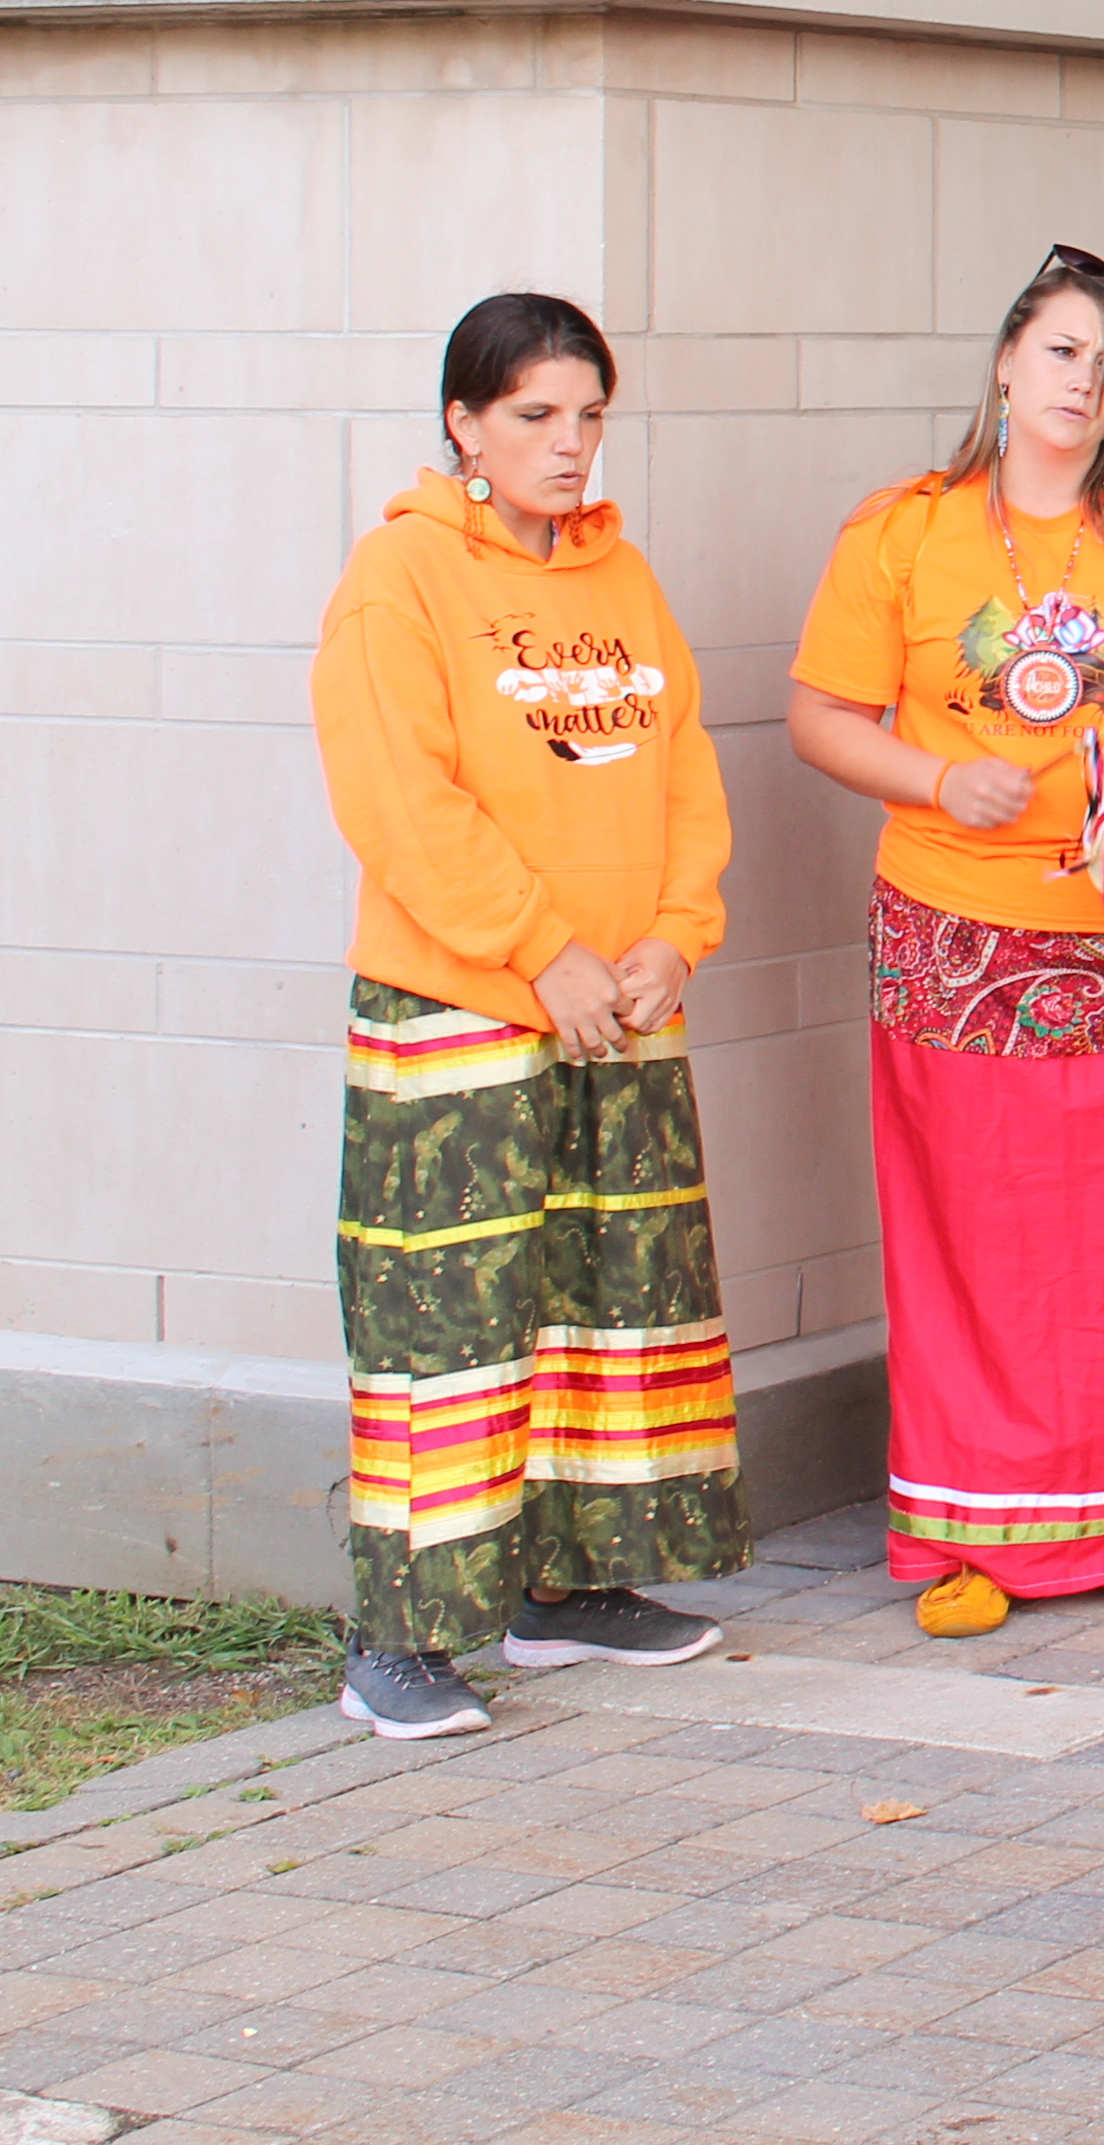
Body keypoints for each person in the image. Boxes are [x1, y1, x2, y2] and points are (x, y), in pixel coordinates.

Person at [787, 246, 1104, 1636]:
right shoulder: (906, 532)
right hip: (961, 930)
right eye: (1065, 351)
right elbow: (823, 719)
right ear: (1009, 358)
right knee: (980, 1236)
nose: (1085, 383)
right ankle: (974, 1534)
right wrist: (943, 780)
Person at [309, 294, 745, 1739]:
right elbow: (403, 802)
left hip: (619, 1012)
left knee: (611, 1310)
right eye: (535, 417)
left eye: (588, 417)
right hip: (469, 1017)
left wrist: (677, 935)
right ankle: (400, 1636)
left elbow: (682, 764)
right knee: (455, 1324)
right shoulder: (401, 579)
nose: (569, 446)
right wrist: (538, 948)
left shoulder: (625, 580)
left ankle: (568, 1589)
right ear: (464, 424)